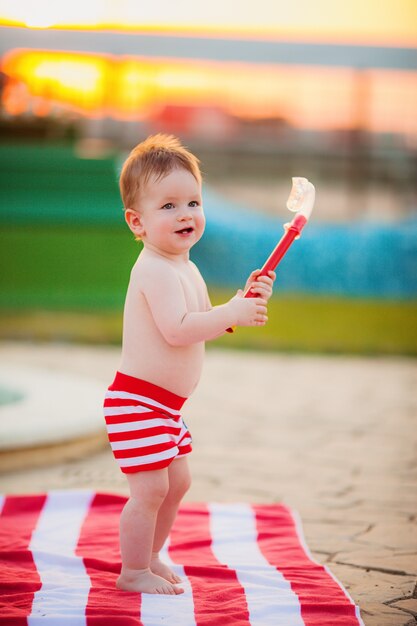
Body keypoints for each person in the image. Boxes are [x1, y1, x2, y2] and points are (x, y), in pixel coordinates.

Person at [103, 134, 276, 595]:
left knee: (177, 484)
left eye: (193, 202)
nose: (185, 214)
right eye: (169, 206)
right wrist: (231, 314)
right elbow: (178, 329)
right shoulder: (154, 269)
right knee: (150, 491)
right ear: (136, 222)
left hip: (165, 407)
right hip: (137, 402)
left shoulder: (185, 266)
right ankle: (132, 570)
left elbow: (205, 320)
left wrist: (242, 300)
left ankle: (151, 555)